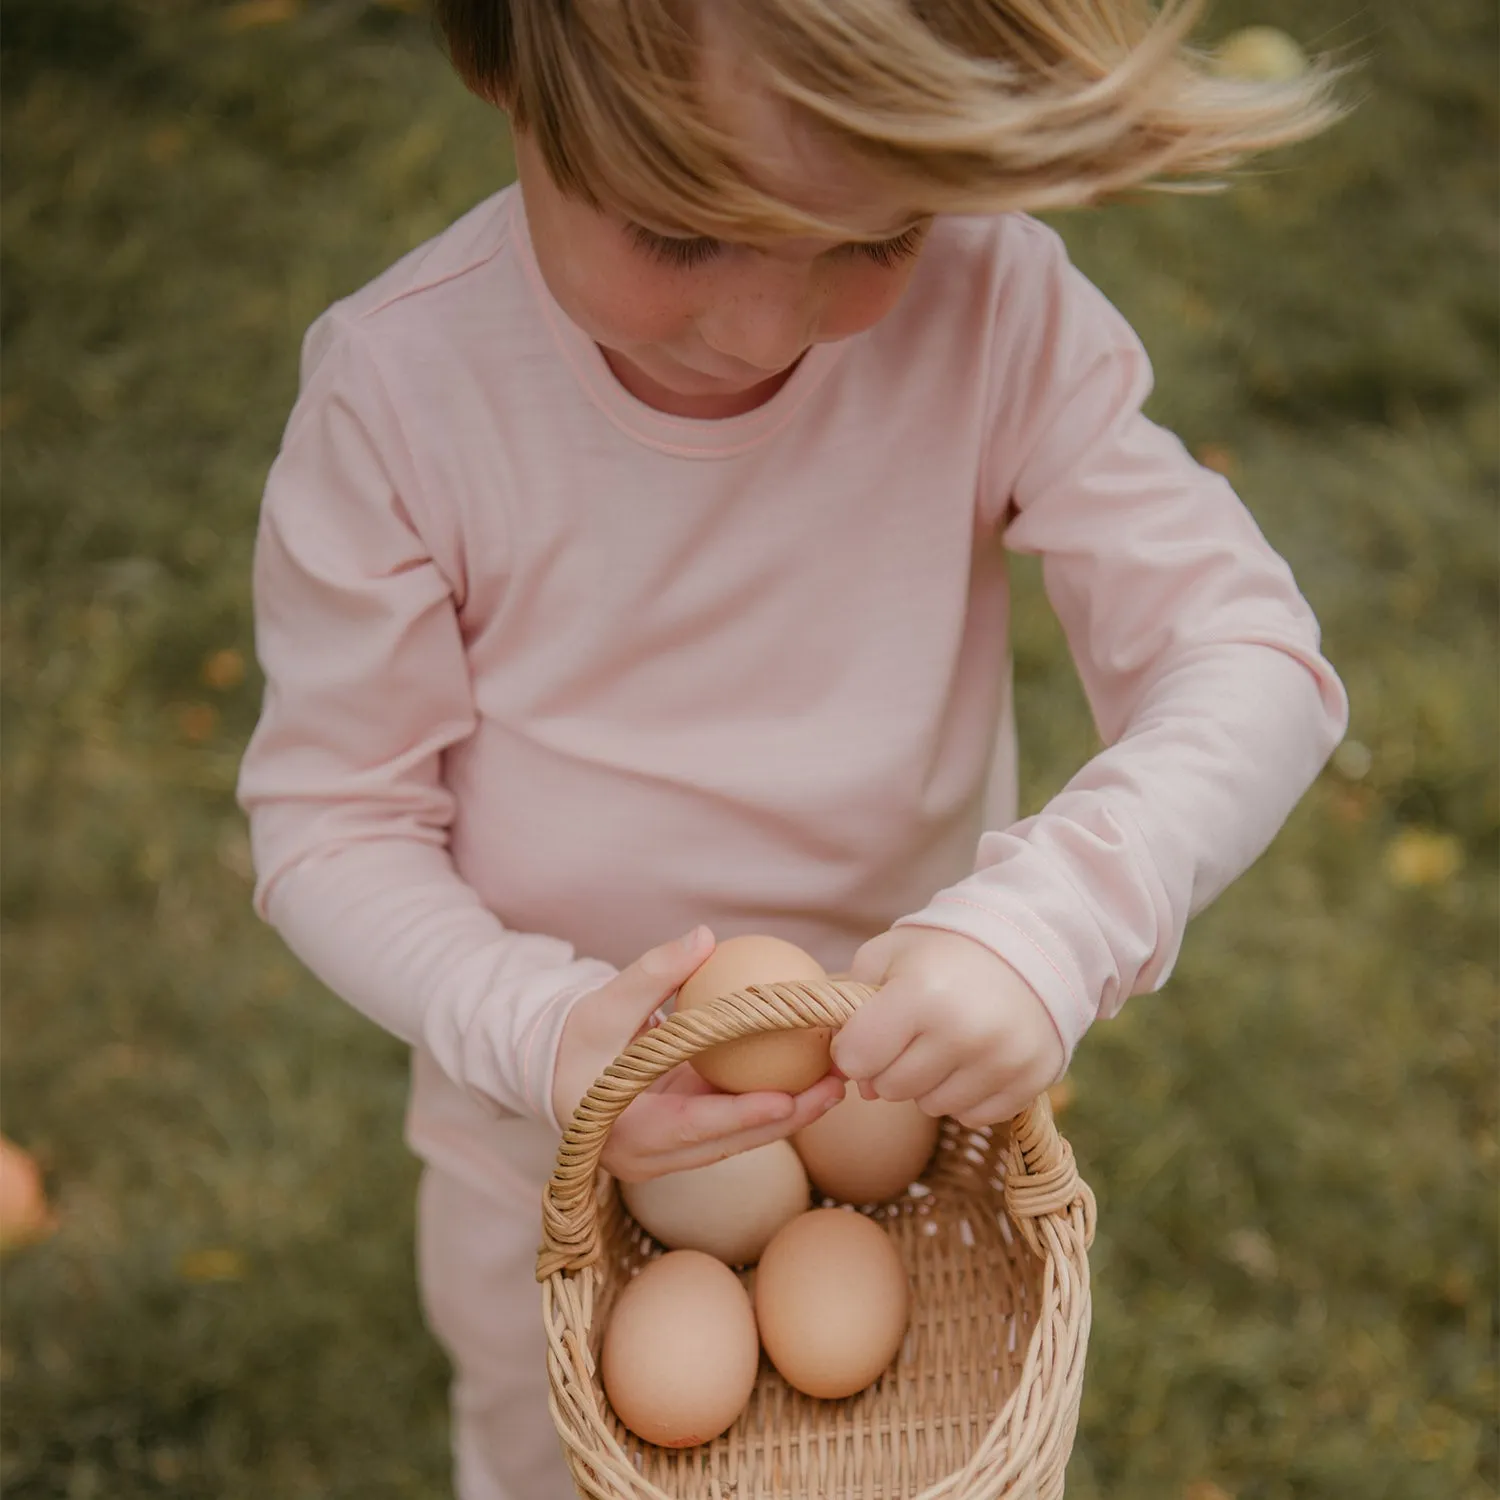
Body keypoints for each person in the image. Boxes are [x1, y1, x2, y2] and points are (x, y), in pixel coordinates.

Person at [237, 2, 1349, 1495]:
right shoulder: (406, 397)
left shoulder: (995, 313)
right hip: (540, 1146)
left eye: (870, 241)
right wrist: (548, 1034)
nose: (766, 326)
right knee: (542, 1451)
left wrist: (1052, 923)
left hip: (895, 1148)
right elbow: (329, 824)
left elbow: (1250, 658)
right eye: (679, 230)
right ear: (506, 68)